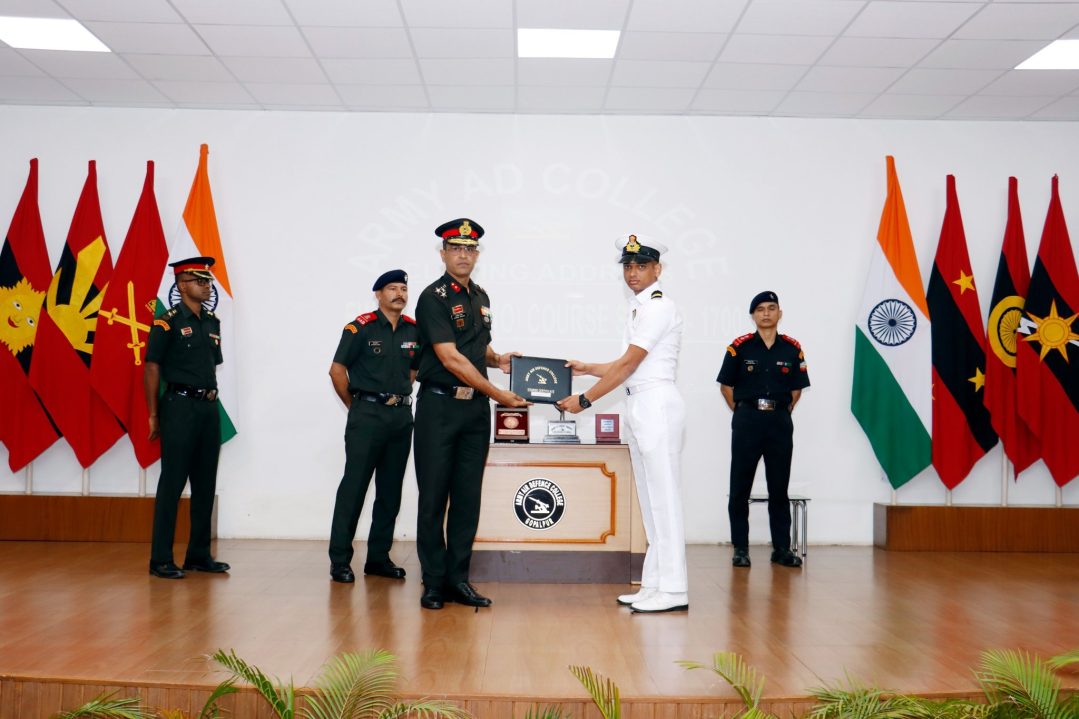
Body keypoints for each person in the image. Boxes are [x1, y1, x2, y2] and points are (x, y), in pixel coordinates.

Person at [557, 234, 688, 614]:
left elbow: (629, 365)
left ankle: (675, 588)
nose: (633, 273)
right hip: (641, 402)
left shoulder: (659, 307)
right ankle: (655, 584)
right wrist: (588, 368)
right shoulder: (639, 307)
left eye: (641, 266)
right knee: (650, 503)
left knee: (665, 501)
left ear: (657, 269)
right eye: (628, 267)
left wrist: (585, 399)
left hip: (656, 403)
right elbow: (627, 365)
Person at [413, 218, 528, 610]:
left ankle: (458, 579)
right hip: (440, 408)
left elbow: (478, 351)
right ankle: (433, 581)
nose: (463, 254)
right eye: (456, 248)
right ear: (443, 253)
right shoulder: (433, 297)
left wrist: (500, 360)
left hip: (473, 412)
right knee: (433, 498)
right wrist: (498, 393)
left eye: (470, 249)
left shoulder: (481, 296)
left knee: (466, 498)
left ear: (477, 254)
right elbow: (449, 358)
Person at [327, 269, 419, 583]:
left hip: (400, 418)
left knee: (390, 492)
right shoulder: (360, 328)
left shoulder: (413, 331)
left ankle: (378, 558)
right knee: (354, 489)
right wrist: (359, 406)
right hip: (367, 417)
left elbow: (412, 372)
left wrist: (394, 399)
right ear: (378, 294)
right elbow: (337, 371)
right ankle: (340, 560)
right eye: (392, 288)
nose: (399, 294)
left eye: (404, 288)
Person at [144, 257, 229, 579]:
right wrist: (154, 413)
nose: (206, 286)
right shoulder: (167, 322)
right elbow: (152, 366)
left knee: (205, 483)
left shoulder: (211, 321)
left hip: (207, 407)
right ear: (181, 285)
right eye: (200, 281)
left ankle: (198, 554)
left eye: (208, 281)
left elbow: (211, 364)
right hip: (178, 406)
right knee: (172, 483)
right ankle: (161, 559)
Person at [717, 291, 809, 569]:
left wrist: (778, 411)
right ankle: (740, 549)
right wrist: (746, 412)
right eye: (760, 309)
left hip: (779, 422)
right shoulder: (739, 347)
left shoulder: (792, 349)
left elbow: (796, 390)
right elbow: (726, 387)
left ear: (780, 313)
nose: (766, 313)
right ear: (753, 316)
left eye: (771, 308)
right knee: (740, 488)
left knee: (779, 488)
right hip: (748, 421)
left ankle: (781, 548)